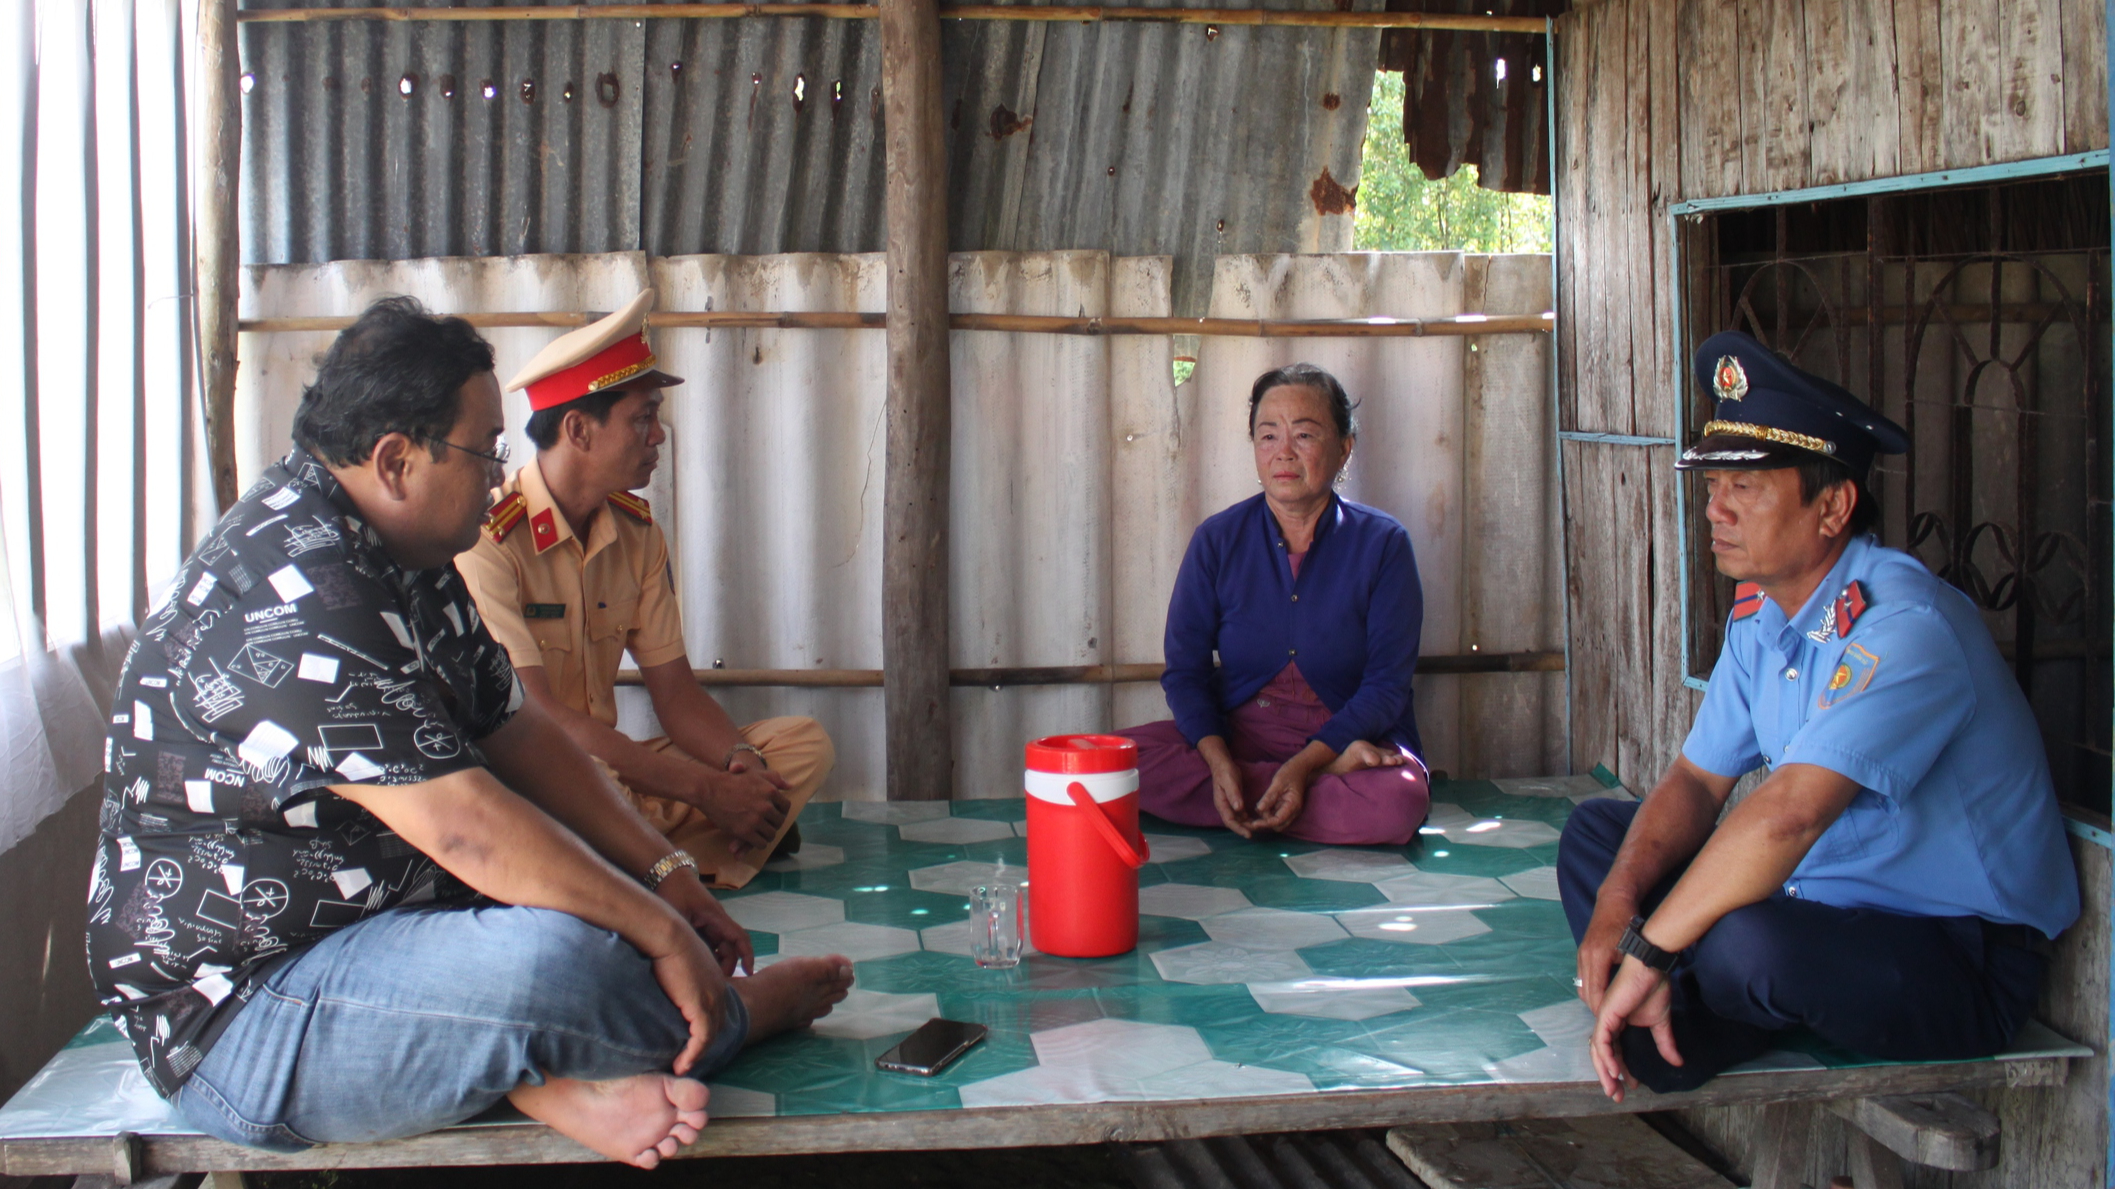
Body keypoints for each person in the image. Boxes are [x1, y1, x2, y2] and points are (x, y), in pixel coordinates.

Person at [85, 298, 852, 1166]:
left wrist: (667, 877)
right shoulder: (300, 590)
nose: (498, 474)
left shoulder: (404, 552)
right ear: (396, 459)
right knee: (565, 961)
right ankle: (728, 1020)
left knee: (593, 901)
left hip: (389, 920)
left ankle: (543, 1072)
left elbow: (517, 731)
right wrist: (667, 934)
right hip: (248, 1004)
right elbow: (468, 828)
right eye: (485, 448)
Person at [1563, 330, 2079, 1101]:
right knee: (1600, 840)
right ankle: (1688, 1002)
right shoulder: (1763, 617)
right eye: (1712, 486)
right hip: (1822, 907)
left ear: (1832, 505)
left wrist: (1649, 945)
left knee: (1747, 943)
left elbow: (1787, 816)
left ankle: (1678, 1001)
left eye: (1747, 487)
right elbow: (1697, 784)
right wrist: (1617, 908)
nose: (1716, 508)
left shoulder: (1905, 627)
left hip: (1953, 952)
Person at [455, 291, 830, 890]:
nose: (659, 435)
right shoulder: (489, 539)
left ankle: (654, 856)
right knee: (589, 785)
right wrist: (704, 789)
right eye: (642, 418)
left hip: (619, 773)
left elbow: (677, 695)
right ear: (578, 428)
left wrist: (742, 768)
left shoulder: (637, 534)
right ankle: (679, 848)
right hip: (535, 773)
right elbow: (540, 717)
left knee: (801, 744)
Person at [1116, 363, 1429, 845]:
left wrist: (1310, 763)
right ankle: (1285, 791)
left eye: (1304, 434)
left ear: (1344, 448)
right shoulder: (1218, 540)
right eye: (1268, 436)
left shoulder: (1384, 545)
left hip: (1346, 738)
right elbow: (1185, 672)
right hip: (1241, 737)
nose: (1284, 452)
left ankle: (1266, 793)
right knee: (1116, 762)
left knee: (1397, 802)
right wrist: (1219, 760)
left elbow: (1387, 687)